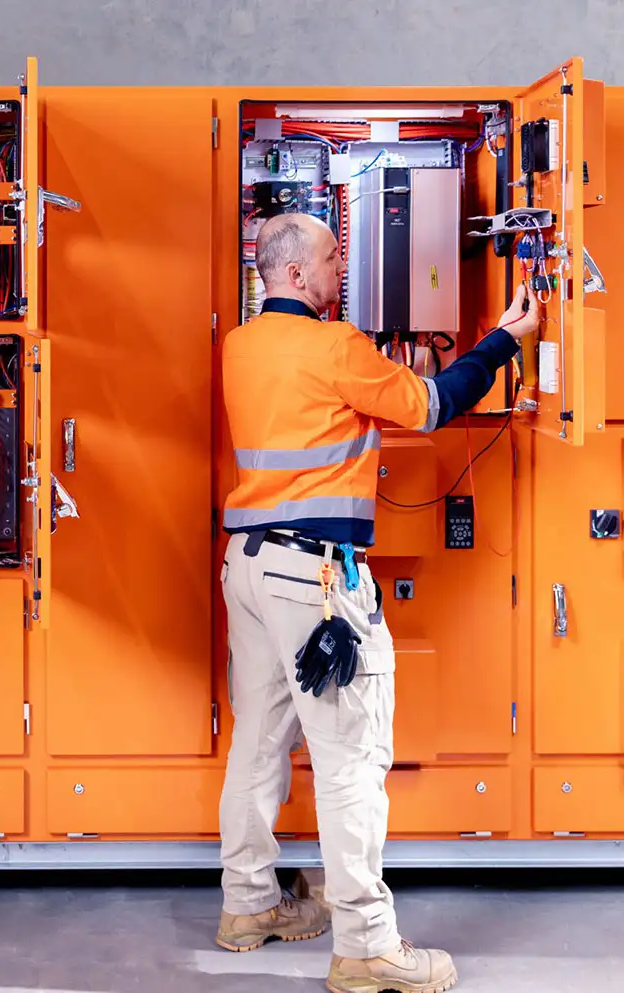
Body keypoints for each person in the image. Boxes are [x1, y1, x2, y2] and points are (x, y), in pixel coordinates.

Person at [215, 212, 540, 993]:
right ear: (296, 276)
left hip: (249, 567)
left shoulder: (240, 342)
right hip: (316, 582)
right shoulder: (336, 347)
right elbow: (428, 405)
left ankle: (248, 904)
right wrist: (504, 341)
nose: (340, 271)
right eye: (332, 259)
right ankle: (365, 944)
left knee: (259, 741)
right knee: (352, 760)